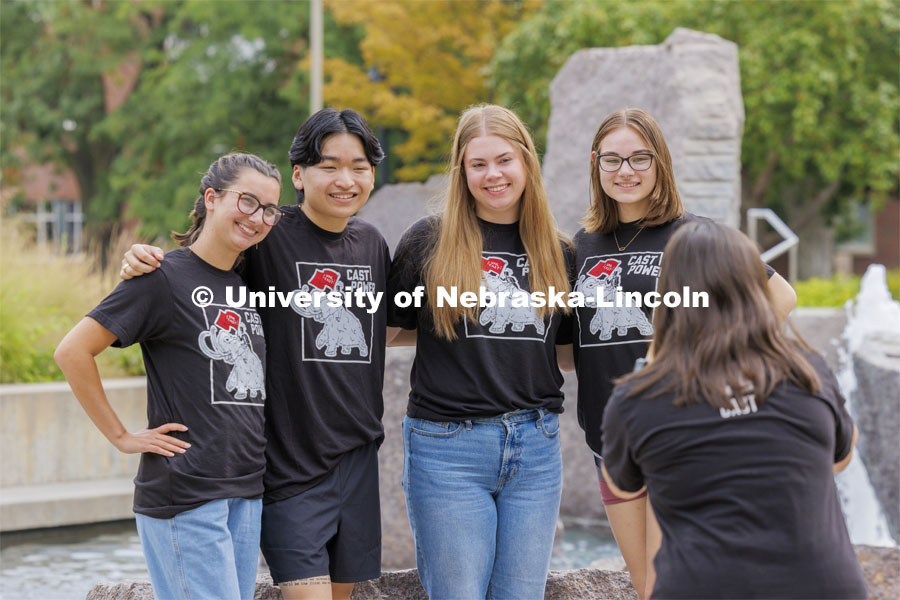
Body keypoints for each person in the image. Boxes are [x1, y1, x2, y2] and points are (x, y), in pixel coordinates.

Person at [120, 108, 390, 600]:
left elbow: (384, 327)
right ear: (299, 175)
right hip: (290, 464)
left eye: (359, 167)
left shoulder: (372, 243)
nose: (344, 180)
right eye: (329, 166)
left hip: (358, 461)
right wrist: (142, 256)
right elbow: (200, 267)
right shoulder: (268, 233)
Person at [565, 108, 797, 599]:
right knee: (647, 585)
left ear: (659, 163)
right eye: (612, 159)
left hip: (682, 431)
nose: (625, 170)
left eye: (638, 158)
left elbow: (780, 297)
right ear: (595, 165)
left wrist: (711, 360)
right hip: (609, 439)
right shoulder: (579, 247)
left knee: (677, 584)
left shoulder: (694, 235)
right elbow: (575, 347)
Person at [55, 153, 283, 600]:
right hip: (187, 493)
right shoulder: (160, 278)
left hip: (244, 490)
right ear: (212, 199)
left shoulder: (245, 284)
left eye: (270, 209)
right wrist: (122, 436)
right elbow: (73, 351)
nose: (258, 218)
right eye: (248, 201)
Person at [601, 220, 867, 599]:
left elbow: (623, 483)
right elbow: (840, 457)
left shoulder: (637, 400)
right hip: (821, 586)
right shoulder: (806, 369)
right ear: (753, 289)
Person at [387, 104, 573, 599]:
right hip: (448, 448)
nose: (493, 174)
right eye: (478, 164)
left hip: (536, 447)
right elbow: (386, 331)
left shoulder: (560, 251)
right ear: (462, 172)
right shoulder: (428, 241)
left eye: (505, 160)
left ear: (527, 163)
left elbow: (567, 351)